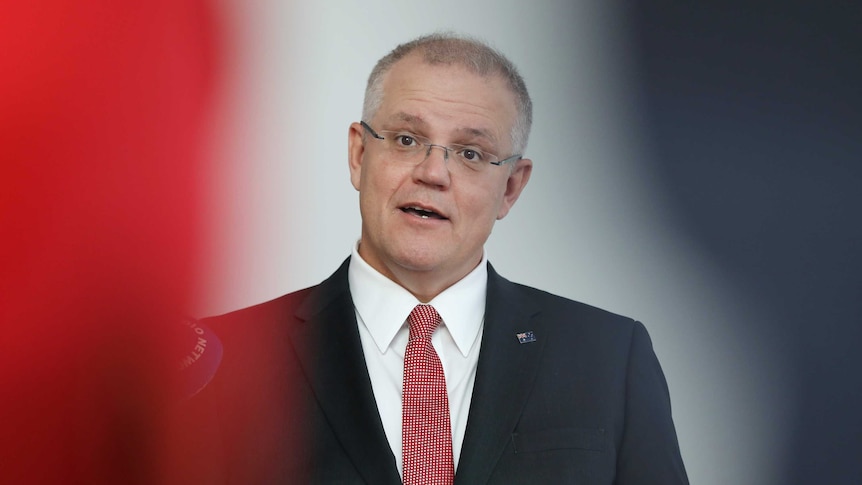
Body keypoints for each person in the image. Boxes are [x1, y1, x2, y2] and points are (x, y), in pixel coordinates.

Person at [192, 33, 689, 484]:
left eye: (471, 153)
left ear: (511, 188)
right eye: (407, 140)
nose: (434, 172)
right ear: (359, 155)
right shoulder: (227, 360)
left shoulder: (608, 357)